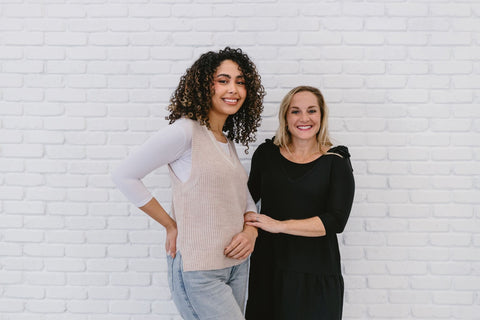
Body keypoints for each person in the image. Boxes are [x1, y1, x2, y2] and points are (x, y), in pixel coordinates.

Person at [112, 47, 265, 320]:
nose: (233, 89)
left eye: (240, 82)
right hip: (200, 269)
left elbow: (244, 199)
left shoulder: (226, 142)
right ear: (204, 85)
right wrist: (170, 225)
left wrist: (251, 232)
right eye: (223, 80)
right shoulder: (184, 132)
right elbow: (125, 175)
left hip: (237, 265)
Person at [244, 85, 355, 320]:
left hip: (316, 271)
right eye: (295, 111)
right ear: (285, 116)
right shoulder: (266, 154)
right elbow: (245, 201)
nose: (304, 118)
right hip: (269, 267)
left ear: (322, 116)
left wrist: (280, 225)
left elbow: (336, 221)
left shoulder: (336, 161)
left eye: (312, 111)